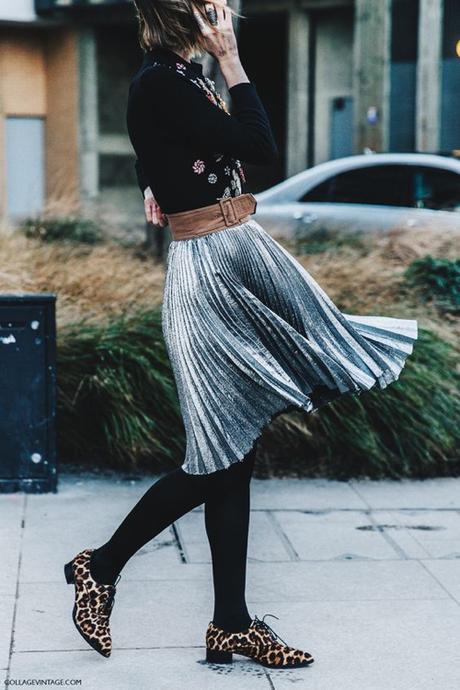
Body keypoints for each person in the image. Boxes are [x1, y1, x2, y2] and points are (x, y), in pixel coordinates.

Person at [64, 0, 418, 669]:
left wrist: (152, 177)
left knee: (236, 449)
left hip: (236, 252)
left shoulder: (170, 75)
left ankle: (230, 624)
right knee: (215, 456)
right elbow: (258, 146)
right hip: (212, 272)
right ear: (183, 14)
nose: (226, 13)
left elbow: (158, 136)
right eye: (212, 6)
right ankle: (102, 566)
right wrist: (232, 62)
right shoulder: (165, 80)